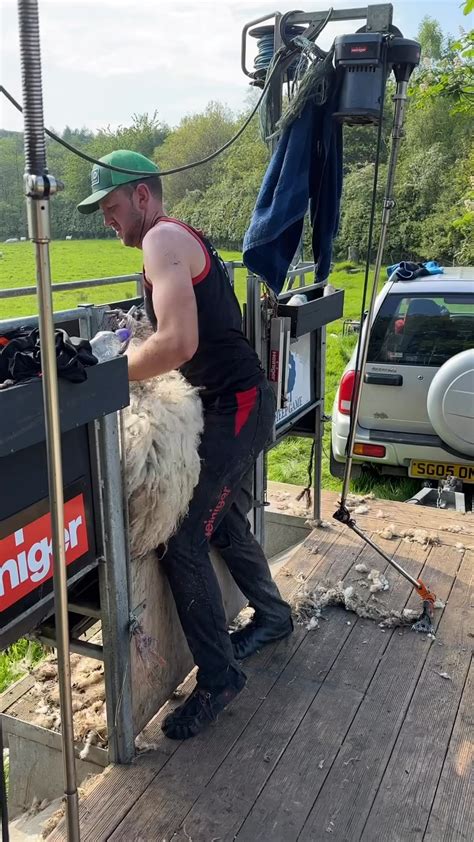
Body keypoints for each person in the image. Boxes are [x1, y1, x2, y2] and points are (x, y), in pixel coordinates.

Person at [78, 149, 293, 740]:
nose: (107, 219)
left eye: (112, 206)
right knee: (216, 517)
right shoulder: (171, 241)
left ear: (142, 197)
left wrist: (108, 376)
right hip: (232, 401)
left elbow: (176, 342)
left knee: (181, 537)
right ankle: (274, 615)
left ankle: (219, 678)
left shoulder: (161, 241)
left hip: (236, 406)